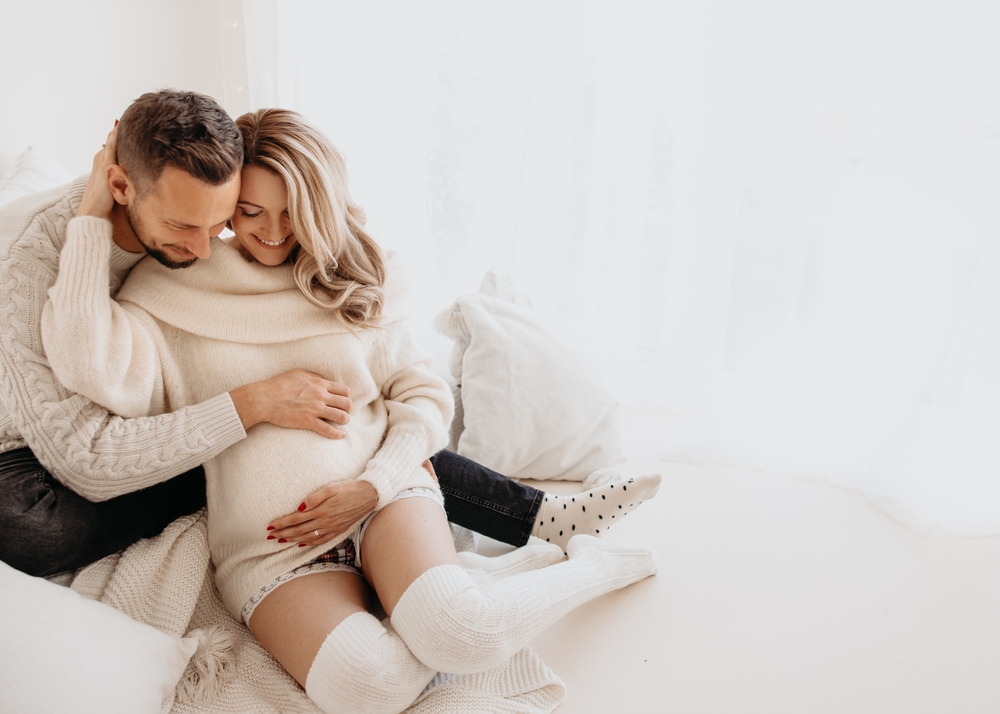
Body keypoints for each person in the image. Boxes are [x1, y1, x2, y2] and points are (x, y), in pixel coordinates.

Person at [42, 103, 658, 713]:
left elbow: (423, 396)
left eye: (294, 214)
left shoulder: (342, 277)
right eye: (251, 211)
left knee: (459, 635)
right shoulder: (173, 288)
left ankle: (593, 563)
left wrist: (376, 484)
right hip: (270, 549)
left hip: (383, 499)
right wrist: (92, 213)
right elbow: (83, 363)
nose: (274, 233)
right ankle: (445, 598)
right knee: (368, 690)